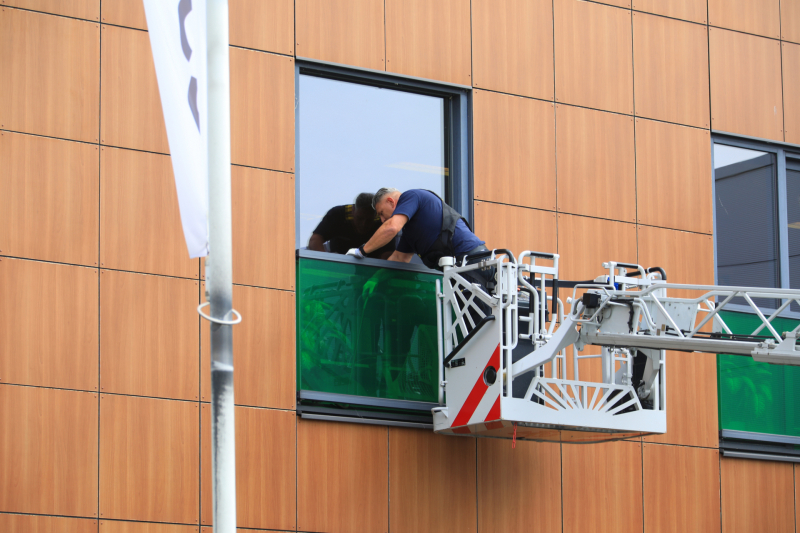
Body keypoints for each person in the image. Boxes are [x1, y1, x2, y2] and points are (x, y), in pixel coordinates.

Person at [346, 188, 495, 328]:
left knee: (477, 333)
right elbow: (399, 258)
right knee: (471, 329)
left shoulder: (412, 196)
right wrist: (374, 278)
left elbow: (391, 227)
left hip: (471, 265)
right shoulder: (411, 231)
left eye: (382, 213)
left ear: (391, 202)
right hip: (470, 268)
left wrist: (361, 251)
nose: (383, 220)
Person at [308, 192, 395, 259]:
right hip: (336, 267)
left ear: (375, 216)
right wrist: (326, 262)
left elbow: (388, 254)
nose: (364, 224)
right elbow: (315, 239)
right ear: (353, 211)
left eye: (369, 220)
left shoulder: (383, 222)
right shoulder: (338, 215)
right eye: (360, 218)